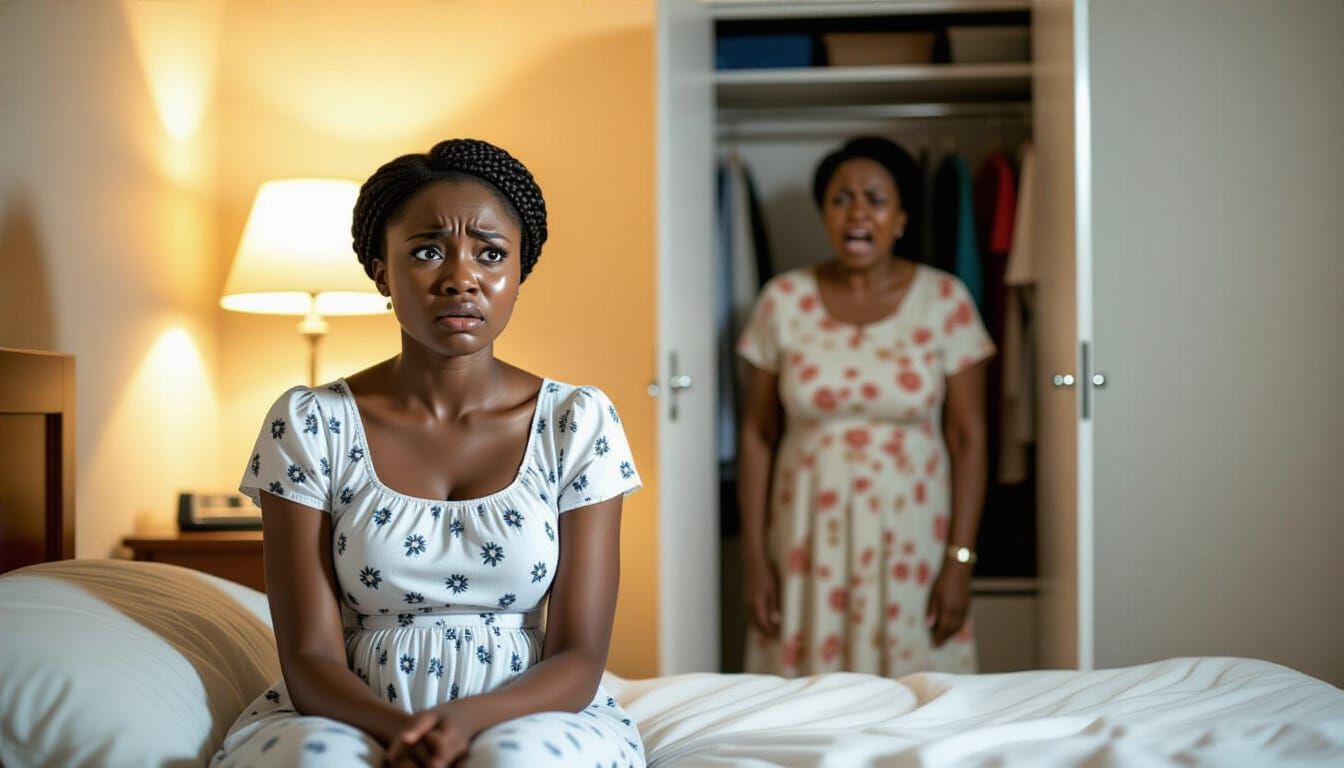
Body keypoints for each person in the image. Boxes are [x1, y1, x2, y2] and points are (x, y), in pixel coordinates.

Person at [212, 139, 645, 768]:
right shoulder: (311, 423)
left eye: (491, 254)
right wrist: (402, 733)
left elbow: (579, 657)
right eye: (427, 251)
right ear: (382, 272)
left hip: (532, 714)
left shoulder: (576, 422)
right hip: (348, 711)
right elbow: (309, 657)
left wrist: (461, 725)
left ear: (518, 275)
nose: (460, 277)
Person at [736, 136, 995, 678]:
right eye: (841, 198)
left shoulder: (945, 301)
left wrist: (960, 562)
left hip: (913, 541)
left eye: (875, 199)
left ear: (900, 217)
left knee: (917, 698)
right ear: (825, 215)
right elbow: (757, 434)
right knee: (805, 705)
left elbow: (970, 439)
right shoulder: (782, 301)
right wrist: (755, 560)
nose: (858, 212)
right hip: (806, 542)